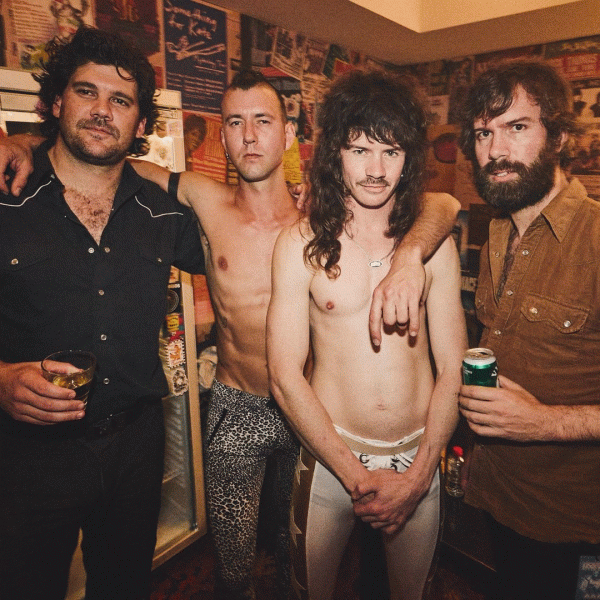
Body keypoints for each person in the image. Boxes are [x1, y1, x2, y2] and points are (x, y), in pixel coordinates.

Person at [0, 68, 461, 599]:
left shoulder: (319, 214)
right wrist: (30, 142)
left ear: (289, 135)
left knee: (296, 556)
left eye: (263, 121)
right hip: (237, 406)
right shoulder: (204, 199)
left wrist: (410, 253)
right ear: (221, 136)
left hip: (311, 413)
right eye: (235, 123)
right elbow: (110, 156)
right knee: (234, 562)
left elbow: (438, 204)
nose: (249, 136)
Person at [0, 27, 205, 600]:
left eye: (121, 100)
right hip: (28, 454)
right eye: (86, 91)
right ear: (55, 102)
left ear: (140, 125)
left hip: (136, 447)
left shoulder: (165, 215)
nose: (101, 111)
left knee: (124, 588)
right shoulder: (7, 199)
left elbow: (247, 250)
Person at [266, 70, 467, 600]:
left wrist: (418, 476)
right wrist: (357, 477)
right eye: (359, 150)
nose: (376, 170)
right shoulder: (299, 244)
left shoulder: (432, 247)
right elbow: (284, 376)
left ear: (409, 158)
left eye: (390, 152)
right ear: (335, 154)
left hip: (417, 457)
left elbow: (454, 367)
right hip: (331, 459)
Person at [457, 60, 600, 600]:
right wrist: (477, 458)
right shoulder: (497, 233)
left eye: (517, 127)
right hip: (499, 500)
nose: (496, 150)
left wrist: (543, 422)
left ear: (558, 137)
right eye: (483, 133)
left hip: (575, 524)